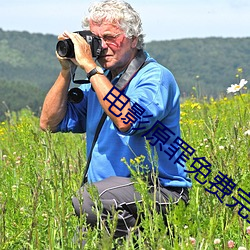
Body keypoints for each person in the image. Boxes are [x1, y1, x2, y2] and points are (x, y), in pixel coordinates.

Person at [40, 0, 192, 244]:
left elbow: (128, 120)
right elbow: (49, 123)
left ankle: (146, 241)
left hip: (160, 191)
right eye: (96, 39)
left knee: (88, 200)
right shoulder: (99, 83)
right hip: (110, 199)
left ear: (133, 39)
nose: (102, 47)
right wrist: (66, 70)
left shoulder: (154, 77)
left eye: (110, 37)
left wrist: (90, 67)